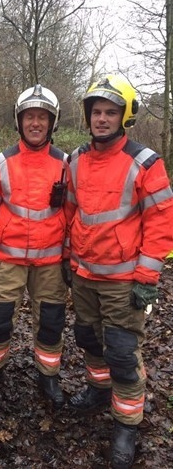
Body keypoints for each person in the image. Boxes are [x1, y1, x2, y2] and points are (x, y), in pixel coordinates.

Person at [62, 75, 173, 468]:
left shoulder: (145, 162)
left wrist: (146, 279)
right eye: (97, 112)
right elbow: (71, 214)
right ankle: (98, 387)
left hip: (124, 280)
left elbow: (161, 223)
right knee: (88, 339)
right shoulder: (75, 160)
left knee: (123, 353)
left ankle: (126, 423)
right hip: (85, 275)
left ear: (124, 117)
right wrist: (66, 259)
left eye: (110, 112)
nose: (102, 119)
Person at [0, 84, 68, 409]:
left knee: (51, 322)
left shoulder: (67, 163)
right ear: (19, 121)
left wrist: (71, 256)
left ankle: (48, 374)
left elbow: (74, 213)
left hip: (51, 260)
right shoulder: (1, 162)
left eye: (42, 117)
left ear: (53, 123)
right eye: (29, 117)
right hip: (7, 258)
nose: (35, 123)